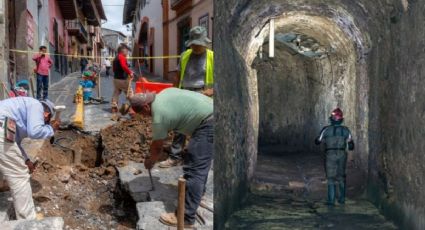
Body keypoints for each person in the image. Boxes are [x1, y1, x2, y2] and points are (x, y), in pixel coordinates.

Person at [129, 88, 213, 228]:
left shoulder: (159, 116)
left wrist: (150, 161)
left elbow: (157, 147)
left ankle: (185, 217)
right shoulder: (165, 93)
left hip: (208, 124)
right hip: (212, 112)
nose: (146, 117)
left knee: (194, 169)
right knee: (200, 164)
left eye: (144, 114)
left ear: (146, 106)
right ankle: (196, 196)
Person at [159, 26, 214, 168]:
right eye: (193, 44)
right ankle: (175, 157)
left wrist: (211, 91)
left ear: (205, 43)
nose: (195, 47)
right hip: (185, 93)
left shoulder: (212, 57)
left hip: (203, 95)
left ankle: (199, 158)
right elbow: (177, 75)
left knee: (201, 128)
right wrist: (174, 92)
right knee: (180, 127)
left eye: (198, 44)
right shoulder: (185, 55)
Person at [0, 97, 60, 219]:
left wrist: (26, 160)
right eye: (46, 122)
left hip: (2, 128)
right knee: (20, 175)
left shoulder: (22, 111)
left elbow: (13, 143)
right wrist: (51, 128)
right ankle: (28, 219)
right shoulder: (37, 105)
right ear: (46, 115)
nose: (44, 124)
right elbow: (35, 131)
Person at [315, 108, 355, 206]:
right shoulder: (346, 130)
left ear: (331, 119)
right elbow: (351, 146)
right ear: (341, 119)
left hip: (330, 154)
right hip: (342, 154)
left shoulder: (326, 130)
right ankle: (341, 199)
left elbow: (317, 141)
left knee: (330, 178)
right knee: (341, 176)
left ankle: (331, 200)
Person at [111, 43, 135, 120]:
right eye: (126, 51)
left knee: (116, 93)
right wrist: (130, 73)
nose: (127, 53)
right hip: (123, 79)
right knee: (130, 93)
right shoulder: (122, 57)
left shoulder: (115, 58)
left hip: (116, 79)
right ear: (122, 51)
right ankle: (132, 109)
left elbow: (114, 69)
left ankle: (114, 106)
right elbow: (124, 66)